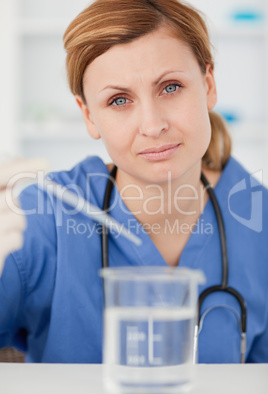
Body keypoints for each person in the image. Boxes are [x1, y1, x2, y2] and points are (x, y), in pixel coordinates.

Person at [0, 0, 267, 364]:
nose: (152, 124)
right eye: (119, 99)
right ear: (88, 116)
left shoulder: (258, 217)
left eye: (170, 87)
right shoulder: (41, 218)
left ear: (208, 85)